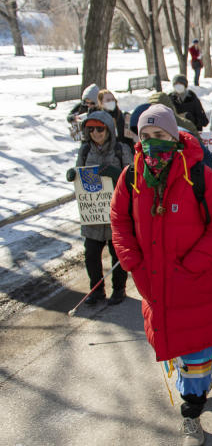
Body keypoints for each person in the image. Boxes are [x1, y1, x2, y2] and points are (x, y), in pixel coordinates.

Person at [110, 105, 212, 446]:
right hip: (154, 286)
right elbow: (119, 221)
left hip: (194, 285)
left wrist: (193, 264)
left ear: (174, 136)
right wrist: (131, 260)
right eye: (145, 137)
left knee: (194, 352)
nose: (153, 143)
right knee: (175, 352)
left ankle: (192, 414)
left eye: (160, 136)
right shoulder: (131, 177)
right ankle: (199, 387)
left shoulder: (198, 175)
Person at [66, 111, 133, 306]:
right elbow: (79, 172)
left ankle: (119, 289)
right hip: (94, 214)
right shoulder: (85, 150)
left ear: (108, 129)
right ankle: (96, 290)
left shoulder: (120, 149)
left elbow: (132, 176)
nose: (96, 133)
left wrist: (116, 174)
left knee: (117, 254)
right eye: (91, 129)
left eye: (100, 128)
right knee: (91, 254)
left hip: (116, 212)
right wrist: (73, 174)